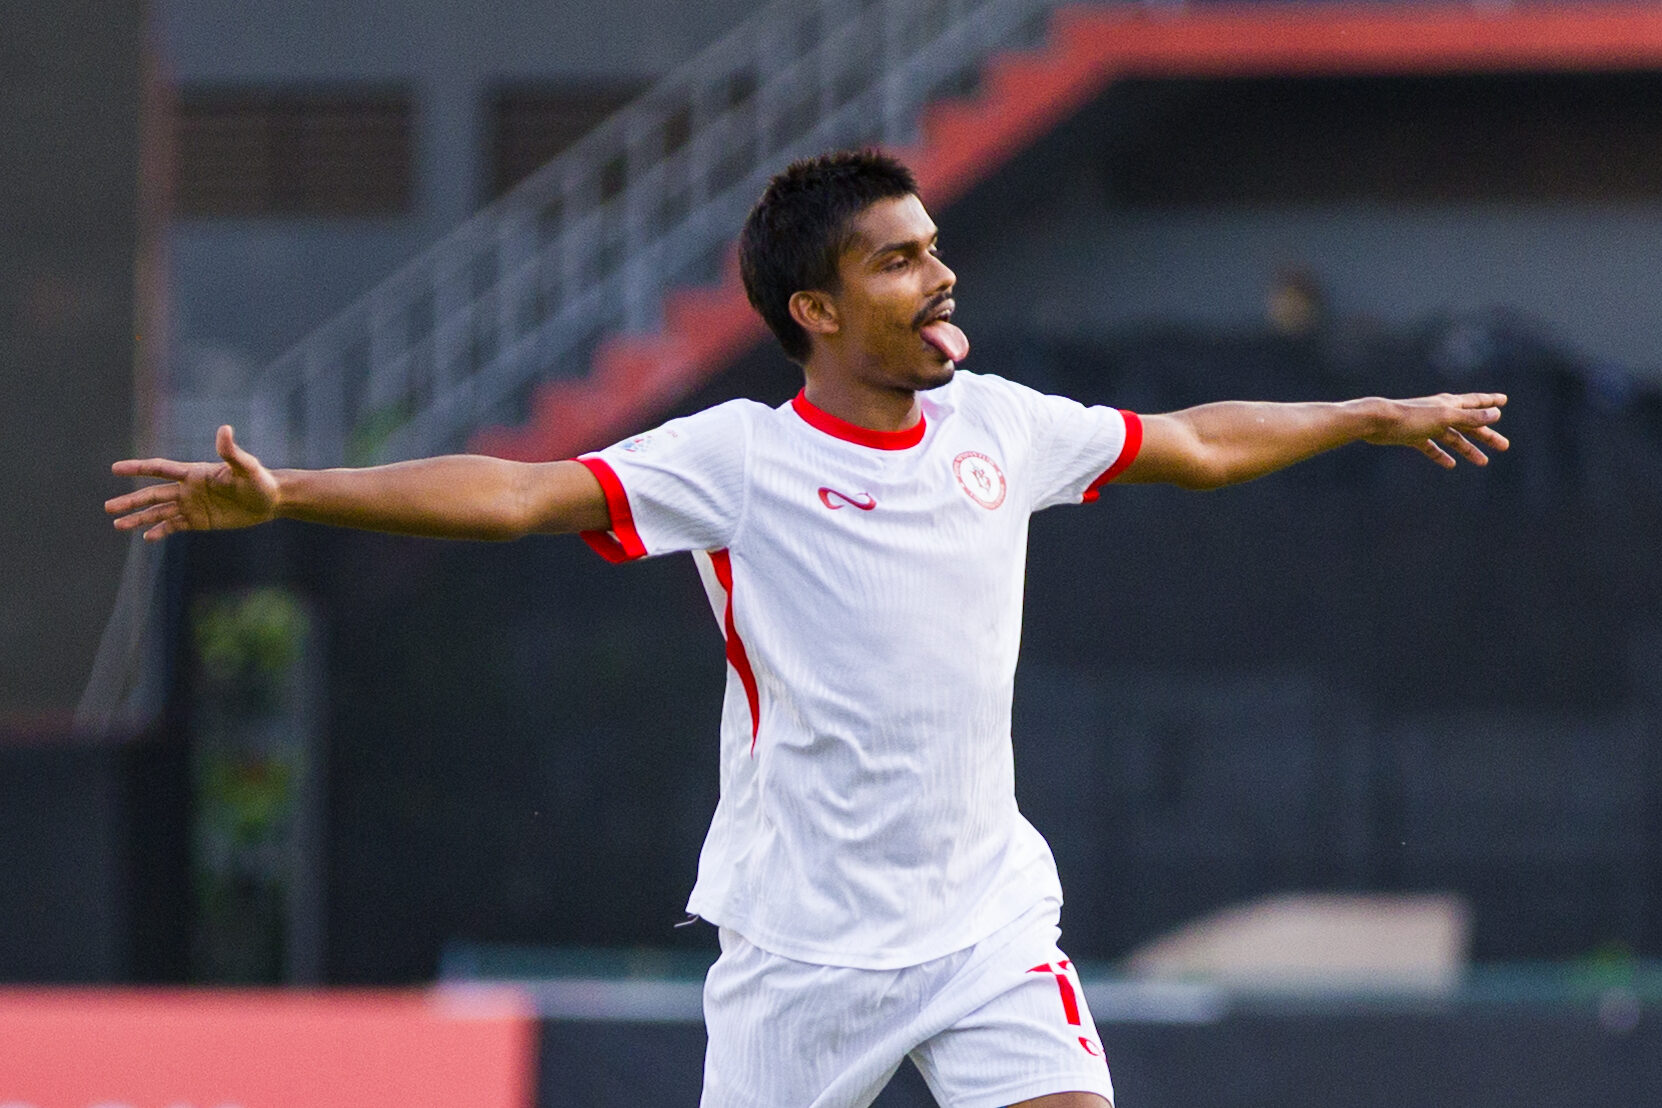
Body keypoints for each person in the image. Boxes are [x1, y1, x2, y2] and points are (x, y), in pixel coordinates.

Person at [108, 149, 1507, 1108]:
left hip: (987, 924)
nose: (938, 277)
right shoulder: (738, 459)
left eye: (934, 249)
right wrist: (293, 491)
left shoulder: (999, 426)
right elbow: (522, 494)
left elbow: (1192, 444)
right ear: (817, 310)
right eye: (898, 262)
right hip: (801, 954)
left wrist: (1369, 415)